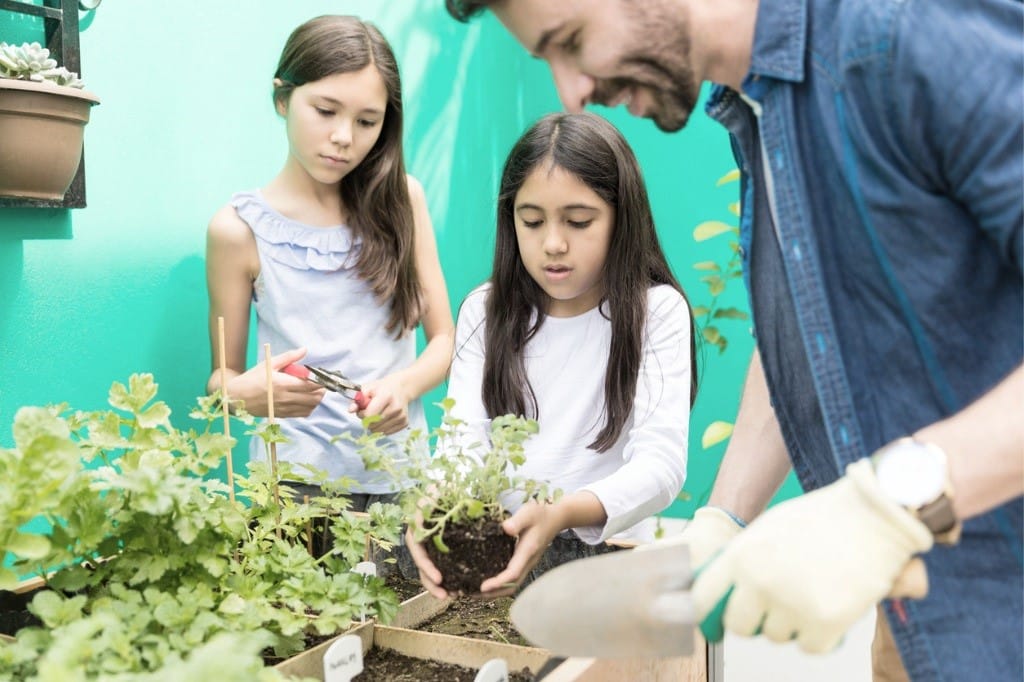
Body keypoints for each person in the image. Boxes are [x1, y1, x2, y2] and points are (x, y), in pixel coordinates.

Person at [442, 1, 1024, 680]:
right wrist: (722, 520)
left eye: (571, 42)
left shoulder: (902, 35)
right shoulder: (760, 113)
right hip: (926, 611)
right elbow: (815, 335)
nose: (571, 91)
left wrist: (895, 499)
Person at [407, 111, 697, 598]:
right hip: (500, 564)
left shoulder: (656, 311)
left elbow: (662, 466)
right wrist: (434, 504)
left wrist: (562, 512)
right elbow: (461, 445)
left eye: (579, 221)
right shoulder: (486, 309)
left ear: (621, 219)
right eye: (532, 221)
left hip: (614, 568)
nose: (553, 243)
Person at [205, 15, 455, 516]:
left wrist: (402, 386)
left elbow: (445, 341)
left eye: (367, 121)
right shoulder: (237, 230)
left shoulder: (404, 201)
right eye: (325, 110)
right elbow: (220, 380)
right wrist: (245, 393)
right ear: (283, 98)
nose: (344, 137)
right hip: (290, 488)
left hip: (399, 480)